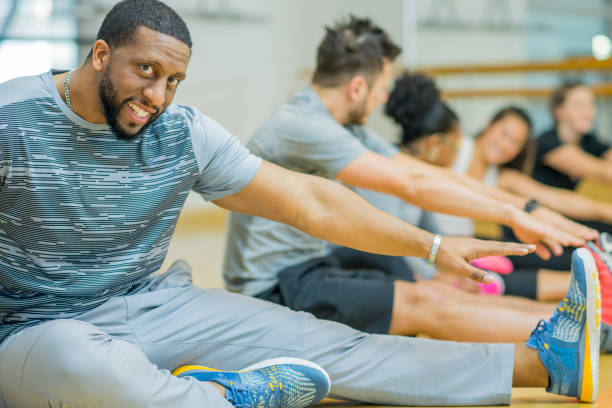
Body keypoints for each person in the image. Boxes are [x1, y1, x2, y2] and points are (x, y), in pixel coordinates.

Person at [0, 1, 602, 407]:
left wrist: (435, 246)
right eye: (146, 71)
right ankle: (218, 397)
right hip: (37, 328)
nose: (157, 96)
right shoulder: (12, 119)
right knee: (78, 362)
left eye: (173, 80)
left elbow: (310, 200)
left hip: (152, 304)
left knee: (328, 344)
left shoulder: (183, 132)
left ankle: (542, 365)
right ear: (100, 55)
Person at [223, 15, 595, 341]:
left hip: (309, 267)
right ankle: (583, 339)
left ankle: (592, 331)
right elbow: (412, 185)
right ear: (357, 87)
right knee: (429, 299)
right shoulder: (303, 125)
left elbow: (422, 172)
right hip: (273, 287)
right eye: (382, 89)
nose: (384, 99)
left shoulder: (342, 126)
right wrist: (513, 216)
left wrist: (525, 208)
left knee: (446, 295)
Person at [386, 73, 612, 301]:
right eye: (504, 134)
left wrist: (602, 212)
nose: (505, 145)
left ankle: (600, 277)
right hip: (437, 251)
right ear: (488, 125)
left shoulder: (500, 175)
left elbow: (551, 197)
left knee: (544, 251)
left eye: (515, 143)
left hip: (459, 244)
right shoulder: (450, 150)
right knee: (513, 266)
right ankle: (599, 282)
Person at [533, 80, 612, 196]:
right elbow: (601, 172)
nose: (588, 111)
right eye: (578, 105)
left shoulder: (589, 140)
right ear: (559, 112)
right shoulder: (546, 142)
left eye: (591, 104)